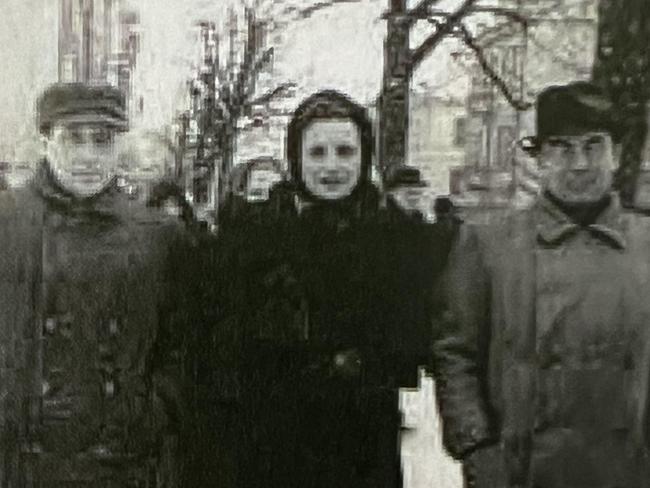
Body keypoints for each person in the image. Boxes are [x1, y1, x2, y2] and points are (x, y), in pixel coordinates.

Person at [432, 81, 650, 488]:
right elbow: (456, 355)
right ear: (540, 158)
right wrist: (477, 449)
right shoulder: (489, 244)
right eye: (562, 148)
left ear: (617, 153)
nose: (579, 163)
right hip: (522, 473)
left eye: (593, 145)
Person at [0, 83, 194, 487]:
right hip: (20, 463)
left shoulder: (155, 235)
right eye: (72, 139)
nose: (87, 157)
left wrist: (150, 413)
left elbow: (184, 344)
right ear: (46, 141)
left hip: (118, 464)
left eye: (102, 140)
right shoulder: (8, 224)